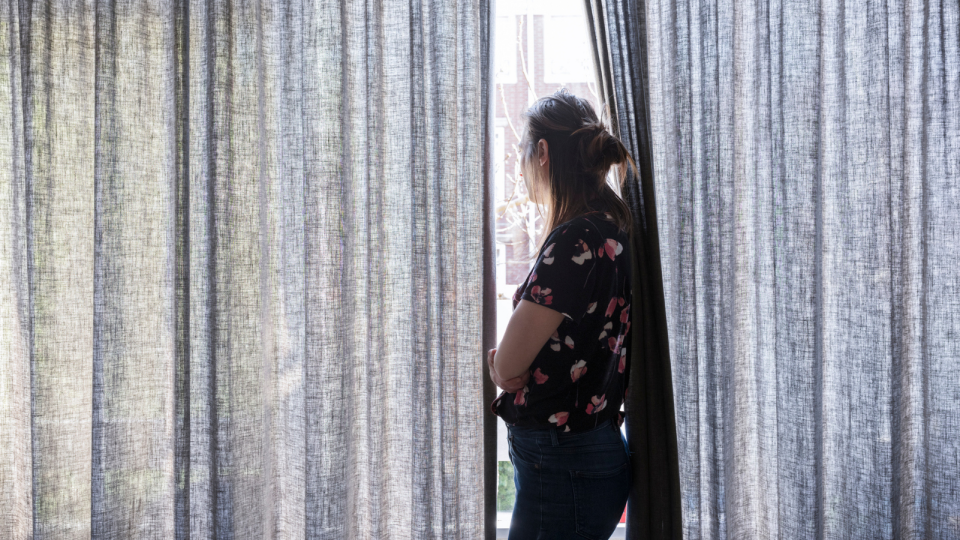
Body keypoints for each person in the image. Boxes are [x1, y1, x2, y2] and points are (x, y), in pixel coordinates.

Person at [489, 89, 635, 540]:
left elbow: (510, 366)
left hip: (564, 463)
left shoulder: (574, 240)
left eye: (522, 152)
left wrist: (497, 362)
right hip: (580, 456)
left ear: (544, 152)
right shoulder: (612, 226)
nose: (519, 166)